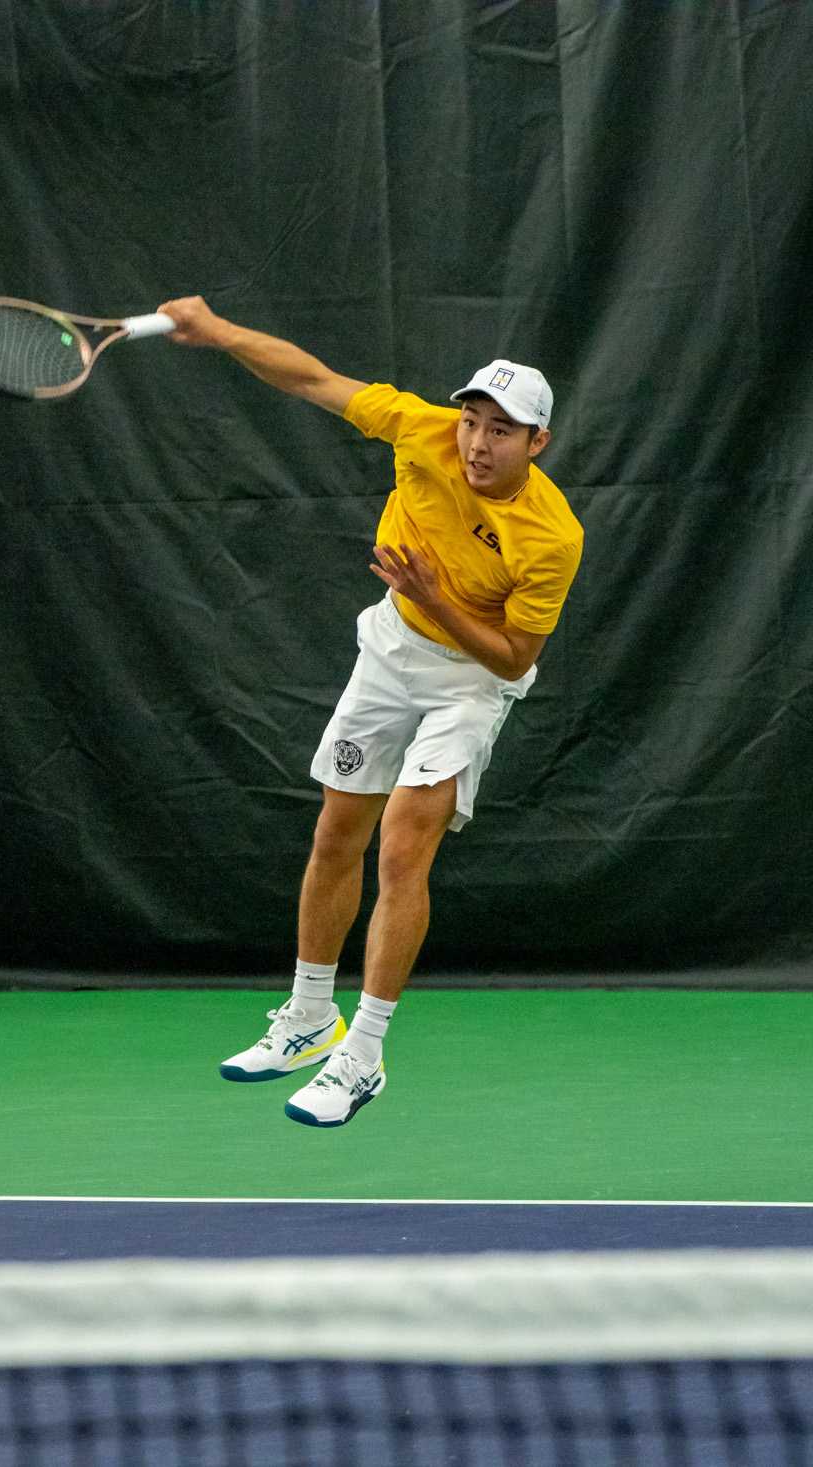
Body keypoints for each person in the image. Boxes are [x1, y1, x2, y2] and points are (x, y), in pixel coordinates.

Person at [157, 296, 583, 1128]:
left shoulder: (551, 537)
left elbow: (514, 659)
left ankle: (363, 1056)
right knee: (334, 833)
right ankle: (311, 1017)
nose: (477, 442)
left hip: (470, 679)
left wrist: (433, 593)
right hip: (391, 652)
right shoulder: (421, 431)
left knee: (403, 847)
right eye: (472, 421)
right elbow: (310, 378)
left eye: (503, 430)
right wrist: (214, 330)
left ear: (538, 442)